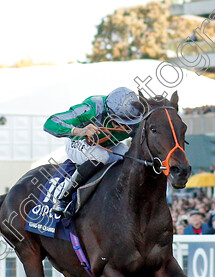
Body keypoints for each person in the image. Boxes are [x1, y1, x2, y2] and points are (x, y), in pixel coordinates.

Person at [43, 87, 145, 217]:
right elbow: (50, 123)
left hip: (108, 144)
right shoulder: (91, 109)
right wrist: (78, 131)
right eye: (118, 123)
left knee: (131, 157)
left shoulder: (135, 119)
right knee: (100, 156)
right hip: (78, 141)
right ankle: (63, 197)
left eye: (128, 124)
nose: (124, 128)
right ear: (109, 114)